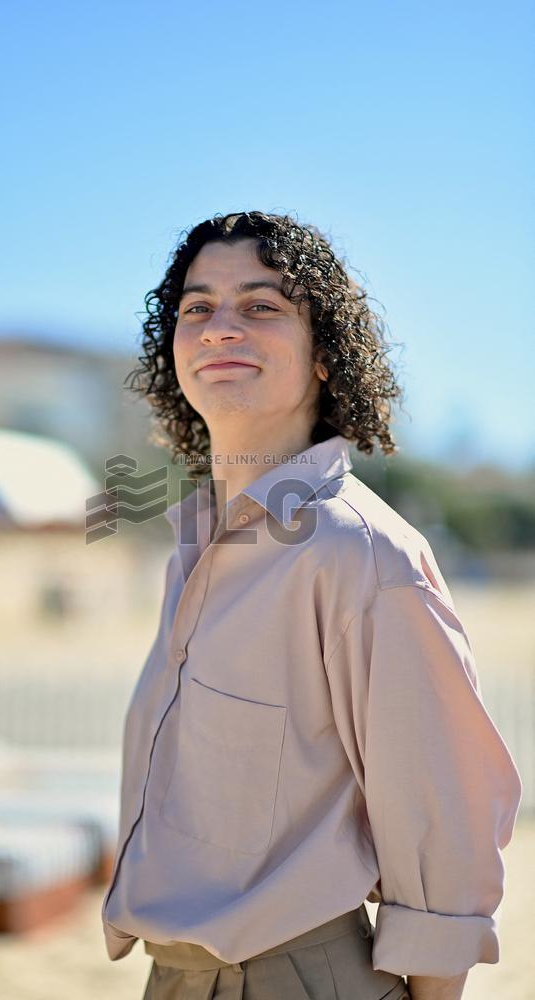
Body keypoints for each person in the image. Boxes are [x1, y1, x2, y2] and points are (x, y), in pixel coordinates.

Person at [100, 211, 522, 1000]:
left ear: (326, 354)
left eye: (261, 305)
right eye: (197, 307)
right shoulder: (193, 548)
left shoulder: (358, 550)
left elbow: (445, 819)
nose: (220, 327)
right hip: (173, 978)